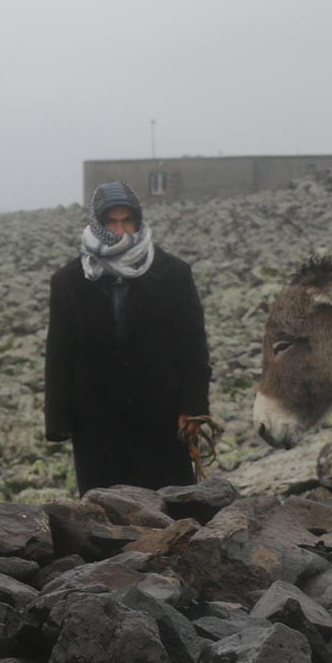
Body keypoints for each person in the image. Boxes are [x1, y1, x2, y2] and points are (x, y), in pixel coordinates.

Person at [44, 181, 212, 494]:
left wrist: (194, 407)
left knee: (171, 510)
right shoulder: (68, 281)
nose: (121, 230)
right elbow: (59, 353)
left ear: (138, 221)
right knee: (104, 519)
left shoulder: (173, 273)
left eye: (127, 221)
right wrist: (58, 420)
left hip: (160, 417)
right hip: (96, 422)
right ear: (98, 223)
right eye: (112, 222)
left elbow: (192, 348)